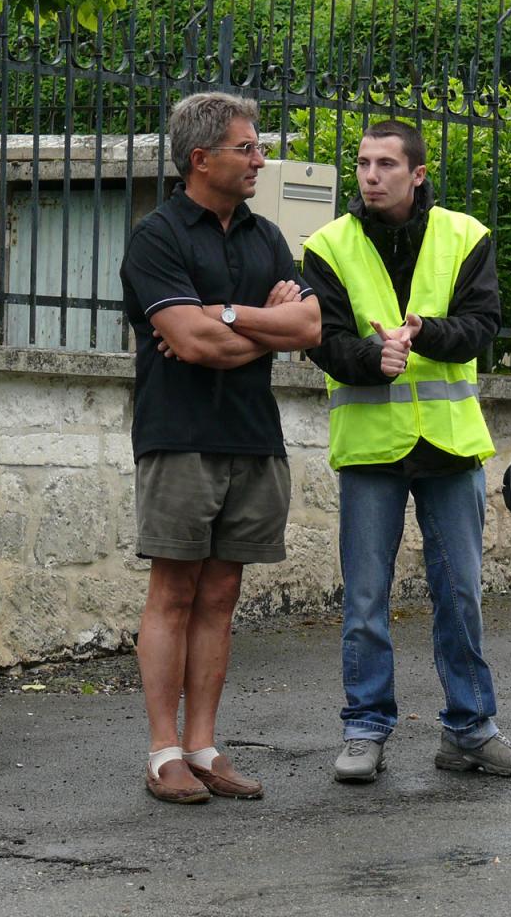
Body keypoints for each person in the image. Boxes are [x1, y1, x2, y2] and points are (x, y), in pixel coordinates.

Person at [303, 119, 511, 784]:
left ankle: (470, 729)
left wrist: (424, 333)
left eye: (385, 164)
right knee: (365, 600)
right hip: (371, 447)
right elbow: (320, 337)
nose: (369, 176)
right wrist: (369, 358)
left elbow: (482, 325)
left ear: (418, 173)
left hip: (448, 445)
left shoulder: (466, 236)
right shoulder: (327, 244)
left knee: (460, 595)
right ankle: (364, 727)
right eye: (362, 163)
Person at [120, 92, 321, 803]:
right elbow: (190, 342)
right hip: (178, 436)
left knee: (222, 594)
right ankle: (163, 752)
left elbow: (309, 328)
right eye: (248, 147)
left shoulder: (267, 237)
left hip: (253, 436)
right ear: (201, 158)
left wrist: (226, 316)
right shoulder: (157, 237)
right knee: (174, 591)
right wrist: (260, 327)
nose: (261, 159)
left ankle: (203, 747)